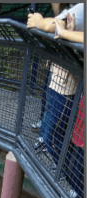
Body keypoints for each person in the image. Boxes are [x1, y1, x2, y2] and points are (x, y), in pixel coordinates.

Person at [26, 4, 83, 159]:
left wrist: (45, 24)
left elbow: (52, 26)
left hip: (68, 83)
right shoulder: (73, 9)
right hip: (57, 76)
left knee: (54, 134)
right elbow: (53, 26)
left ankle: (62, 170)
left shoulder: (80, 9)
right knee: (50, 122)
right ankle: (57, 162)